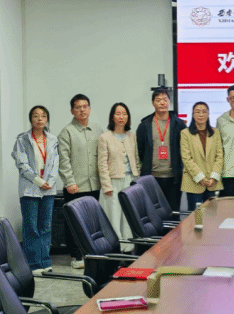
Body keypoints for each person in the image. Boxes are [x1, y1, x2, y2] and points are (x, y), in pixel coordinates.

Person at [58, 94, 103, 269]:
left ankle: (90, 253)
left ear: (89, 109)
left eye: (85, 106)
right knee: (74, 223)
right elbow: (64, 160)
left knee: (92, 222)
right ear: (72, 110)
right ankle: (76, 256)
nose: (82, 110)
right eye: (78, 107)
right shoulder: (67, 132)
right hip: (75, 186)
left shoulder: (97, 129)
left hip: (94, 185)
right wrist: (69, 181)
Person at [12, 106, 58, 273]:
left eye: (43, 116)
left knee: (45, 226)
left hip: (48, 188)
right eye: (36, 116)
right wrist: (39, 181)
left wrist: (49, 181)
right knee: (31, 227)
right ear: (31, 119)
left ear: (47, 119)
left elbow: (55, 163)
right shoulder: (22, 139)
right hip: (30, 187)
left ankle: (45, 262)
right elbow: (22, 164)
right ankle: (33, 264)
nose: (40, 119)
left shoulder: (52, 139)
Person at [97, 103, 140, 251]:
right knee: (113, 217)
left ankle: (128, 248)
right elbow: (102, 164)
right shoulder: (105, 137)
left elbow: (136, 159)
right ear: (112, 117)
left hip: (130, 180)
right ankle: (115, 248)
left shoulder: (132, 136)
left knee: (129, 215)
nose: (121, 117)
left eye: (124, 114)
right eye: (118, 114)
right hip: (113, 182)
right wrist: (106, 185)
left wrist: (137, 180)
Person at [136, 88, 186, 212]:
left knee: (173, 213)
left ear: (169, 102)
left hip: (173, 178)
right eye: (158, 100)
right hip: (151, 178)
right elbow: (141, 151)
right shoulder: (144, 125)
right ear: (153, 103)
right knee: (153, 213)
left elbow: (184, 149)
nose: (162, 103)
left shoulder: (179, 124)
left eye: (165, 99)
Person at [180, 102, 224, 210]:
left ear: (208, 114)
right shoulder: (185, 133)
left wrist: (214, 177)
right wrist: (200, 178)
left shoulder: (216, 132)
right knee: (196, 216)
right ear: (193, 114)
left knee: (212, 215)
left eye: (204, 112)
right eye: (197, 112)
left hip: (212, 183)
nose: (201, 115)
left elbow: (219, 156)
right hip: (194, 182)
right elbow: (186, 158)